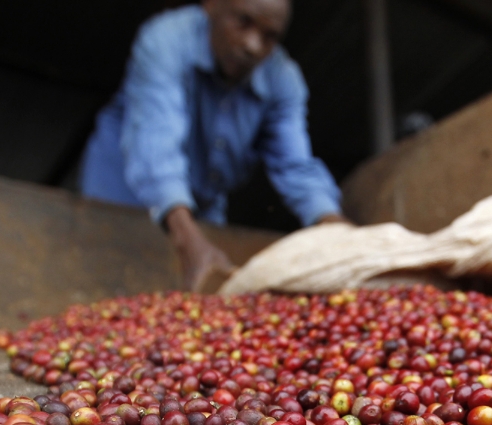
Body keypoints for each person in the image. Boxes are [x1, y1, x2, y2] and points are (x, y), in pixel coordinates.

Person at [79, 0, 346, 291]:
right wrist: (187, 239)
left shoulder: (283, 79)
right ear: (212, 5)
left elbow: (295, 166)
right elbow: (156, 146)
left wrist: (340, 232)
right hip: (123, 188)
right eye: (243, 22)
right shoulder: (167, 39)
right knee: (108, 284)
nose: (252, 46)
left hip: (203, 200)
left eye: (270, 37)